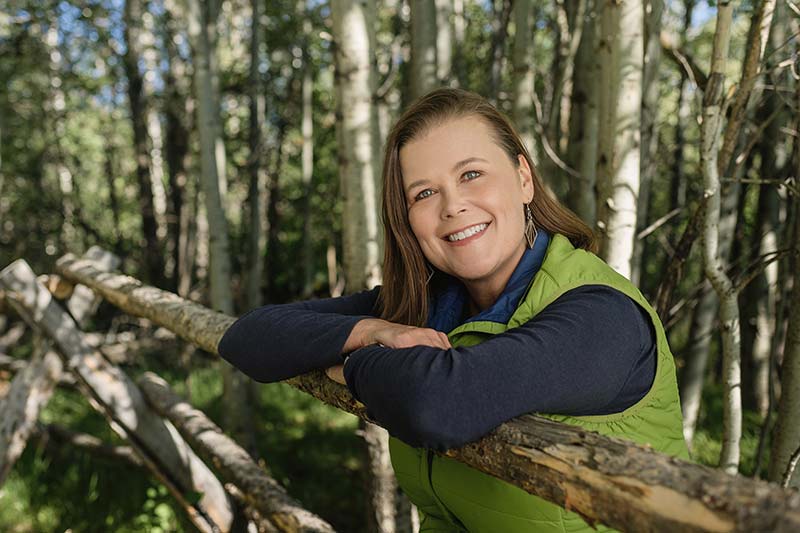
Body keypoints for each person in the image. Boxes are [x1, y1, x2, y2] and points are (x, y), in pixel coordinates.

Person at [218, 88, 689, 533]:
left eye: (471, 175)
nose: (452, 206)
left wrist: (352, 363)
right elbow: (249, 336)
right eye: (424, 193)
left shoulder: (603, 317)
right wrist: (371, 330)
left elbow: (440, 402)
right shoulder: (430, 306)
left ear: (524, 179)